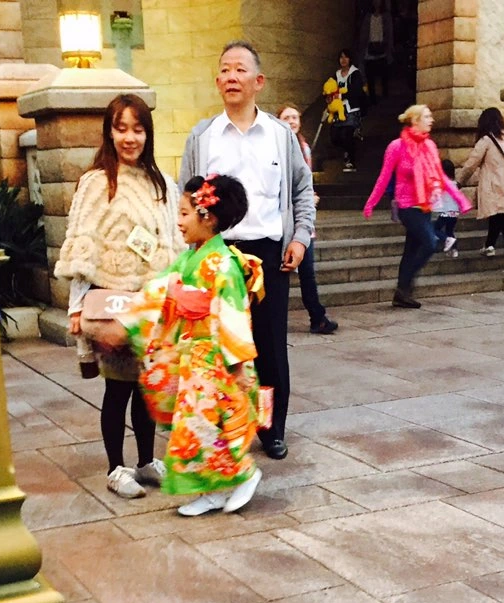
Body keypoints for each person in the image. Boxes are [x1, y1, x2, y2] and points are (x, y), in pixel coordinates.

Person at [88, 174, 264, 517]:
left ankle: (245, 474)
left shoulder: (223, 265)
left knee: (212, 427)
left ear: (207, 217)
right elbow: (158, 290)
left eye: (184, 214)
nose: (178, 222)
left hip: (218, 360)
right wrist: (125, 325)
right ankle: (211, 491)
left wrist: (238, 365)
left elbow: (234, 318)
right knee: (195, 429)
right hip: (194, 355)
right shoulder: (191, 258)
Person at [180, 40, 316, 461]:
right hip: (217, 256)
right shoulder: (202, 137)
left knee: (269, 349)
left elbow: (302, 190)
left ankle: (270, 427)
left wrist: (300, 238)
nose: (231, 77)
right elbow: (187, 196)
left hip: (269, 255)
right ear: (217, 81)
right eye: (224, 70)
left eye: (240, 70)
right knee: (218, 347)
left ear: (259, 81)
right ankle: (224, 425)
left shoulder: (280, 135)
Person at [55, 93, 183, 498]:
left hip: (153, 306)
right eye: (121, 128)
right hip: (114, 304)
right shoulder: (96, 183)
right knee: (118, 390)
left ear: (148, 133)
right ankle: (115, 467)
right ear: (109, 133)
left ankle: (146, 460)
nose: (130, 138)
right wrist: (77, 307)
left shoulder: (162, 183)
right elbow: (83, 248)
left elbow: (174, 242)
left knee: (148, 387)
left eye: (138, 129)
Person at [363, 104, 456, 309]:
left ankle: (402, 294)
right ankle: (405, 285)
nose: (432, 120)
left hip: (424, 205)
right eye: (427, 116)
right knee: (430, 242)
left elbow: (440, 176)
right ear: (415, 120)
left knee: (411, 250)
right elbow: (384, 177)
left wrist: (459, 199)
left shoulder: (429, 145)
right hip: (406, 205)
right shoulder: (396, 146)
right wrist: (371, 202)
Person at [277, 103, 337, 335]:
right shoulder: (274, 147)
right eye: (287, 117)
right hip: (282, 222)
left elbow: (304, 181)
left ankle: (317, 317)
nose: (292, 121)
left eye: (295, 117)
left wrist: (309, 197)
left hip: (302, 225)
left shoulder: (304, 147)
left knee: (307, 272)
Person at [456, 107, 504, 276]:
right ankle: (489, 246)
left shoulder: (487, 140)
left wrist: (459, 182)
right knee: (498, 216)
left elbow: (471, 164)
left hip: (499, 188)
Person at [330, 49, 367, 173]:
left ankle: (350, 160)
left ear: (350, 59)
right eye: (341, 57)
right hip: (338, 111)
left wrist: (341, 96)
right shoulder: (336, 74)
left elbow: (356, 91)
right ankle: (348, 148)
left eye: (346, 57)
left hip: (352, 110)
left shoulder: (355, 73)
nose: (343, 60)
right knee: (335, 136)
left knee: (347, 134)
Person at [432, 157, 471, 258]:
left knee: (434, 229)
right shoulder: (455, 184)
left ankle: (446, 239)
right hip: (454, 213)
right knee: (449, 231)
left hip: (446, 212)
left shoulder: (443, 184)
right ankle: (454, 250)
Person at [358, 0, 393, 103]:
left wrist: (389, 46)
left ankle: (385, 97)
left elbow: (389, 33)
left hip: (383, 48)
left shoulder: (386, 16)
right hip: (370, 48)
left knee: (384, 75)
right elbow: (363, 33)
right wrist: (362, 47)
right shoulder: (368, 17)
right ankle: (372, 98)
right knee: (370, 75)